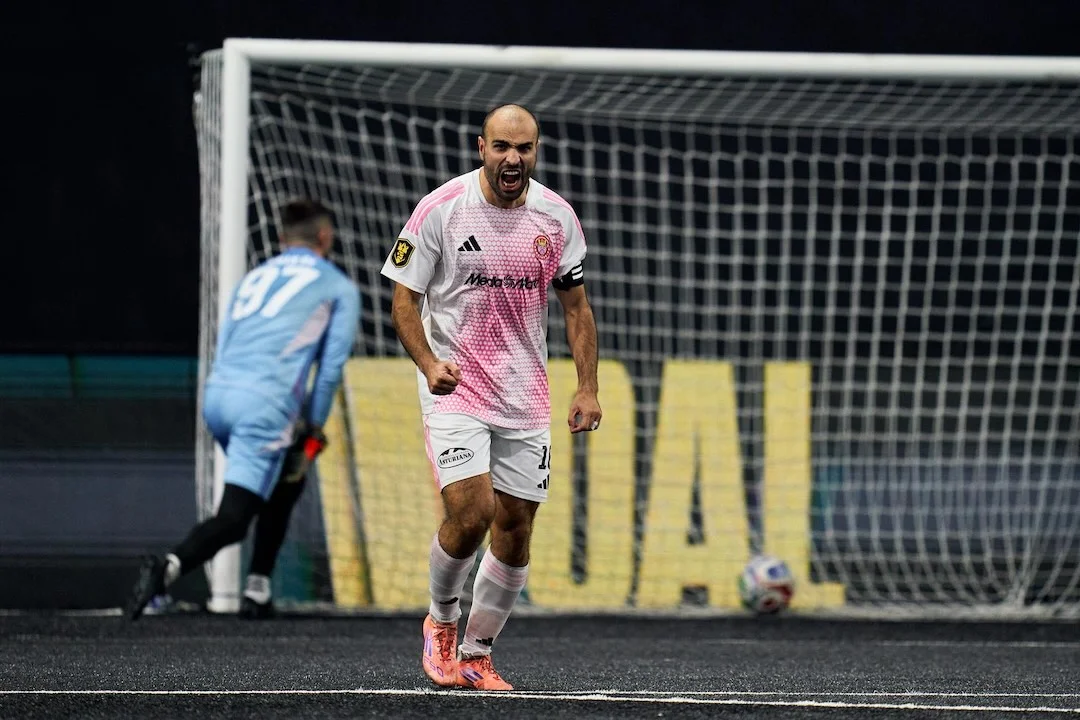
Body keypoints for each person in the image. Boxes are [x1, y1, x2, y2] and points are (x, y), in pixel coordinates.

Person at [381, 104, 602, 691]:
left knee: (516, 528)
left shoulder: (556, 217)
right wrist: (428, 364)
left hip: (525, 396)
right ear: (481, 147)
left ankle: (478, 654)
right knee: (472, 513)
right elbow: (403, 300)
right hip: (457, 387)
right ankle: (442, 621)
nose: (513, 159)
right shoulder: (441, 209)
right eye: (502, 147)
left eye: (524, 149)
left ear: (536, 152)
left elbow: (576, 308)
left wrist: (587, 387)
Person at [125, 198, 361, 621]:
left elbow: (227, 339)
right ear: (325, 237)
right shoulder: (337, 286)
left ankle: (258, 586)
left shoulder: (254, 276)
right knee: (237, 516)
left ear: (281, 238)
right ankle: (168, 568)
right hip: (263, 406)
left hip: (218, 397)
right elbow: (328, 373)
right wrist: (312, 427)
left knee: (288, 475)